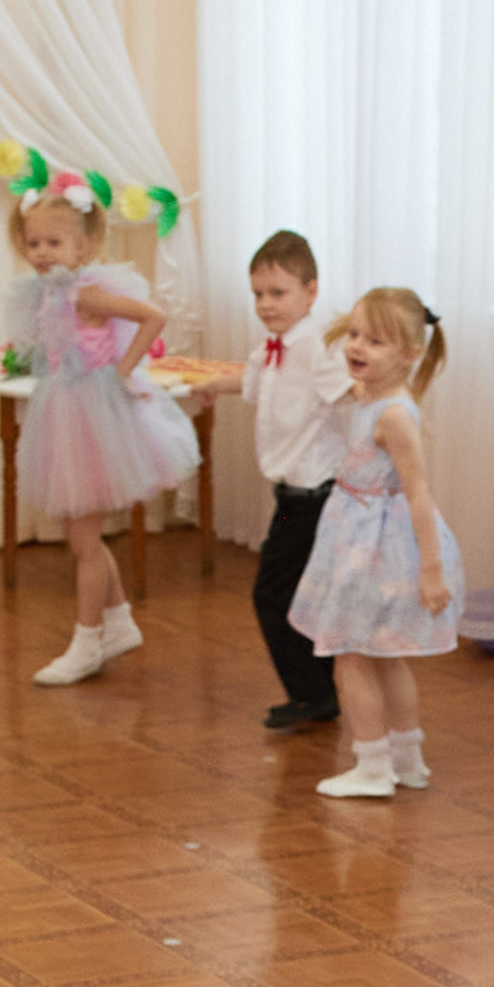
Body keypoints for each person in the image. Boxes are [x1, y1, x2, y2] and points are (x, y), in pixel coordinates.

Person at [6, 181, 197, 689]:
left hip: (91, 419)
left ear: (82, 245)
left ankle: (87, 640)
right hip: (64, 411)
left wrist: (123, 368)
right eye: (34, 243)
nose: (43, 253)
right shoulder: (49, 295)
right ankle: (118, 622)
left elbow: (153, 316)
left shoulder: (86, 292)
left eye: (54, 243)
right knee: (78, 534)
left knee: (85, 539)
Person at [288, 288, 466, 799]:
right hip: (359, 530)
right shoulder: (369, 395)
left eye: (376, 341)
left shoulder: (394, 415)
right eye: (354, 334)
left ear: (409, 354)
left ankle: (370, 766)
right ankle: (407, 759)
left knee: (349, 654)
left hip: (375, 545)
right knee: (385, 655)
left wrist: (430, 571)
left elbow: (419, 494)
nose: (357, 347)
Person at [197, 230, 351, 731]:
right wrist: (206, 386)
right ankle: (318, 689)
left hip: (314, 496)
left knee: (273, 593)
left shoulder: (316, 348)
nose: (266, 304)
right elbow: (252, 381)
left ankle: (313, 692)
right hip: (289, 493)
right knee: (301, 594)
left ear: (311, 291)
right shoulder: (274, 347)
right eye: (258, 294)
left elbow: (350, 389)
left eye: (278, 293)